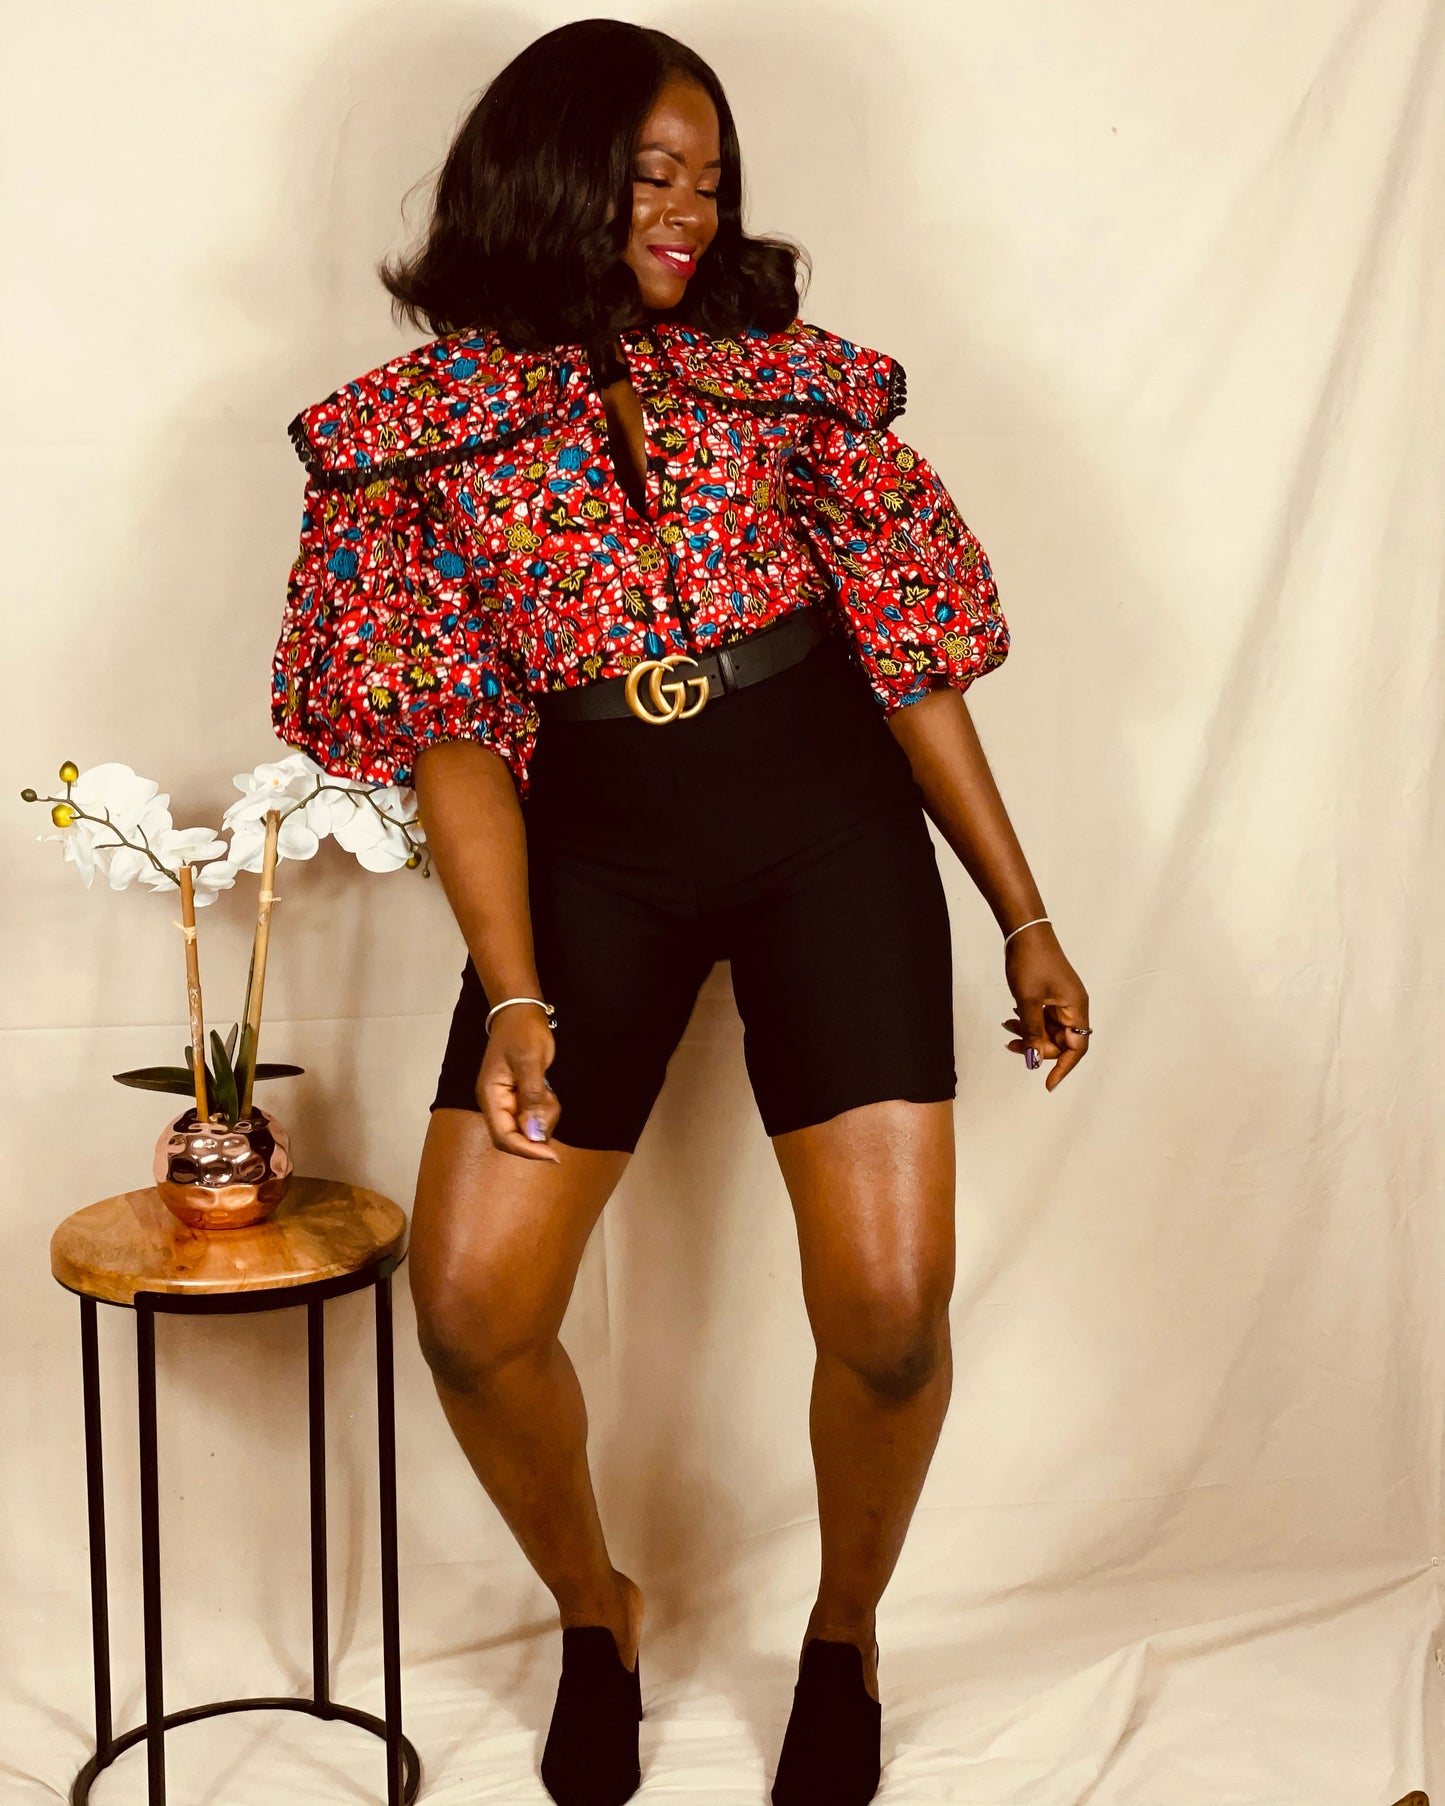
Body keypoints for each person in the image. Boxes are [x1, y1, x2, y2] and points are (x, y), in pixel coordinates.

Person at [272, 19, 1091, 1805]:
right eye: (649, 172)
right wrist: (514, 993)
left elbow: (910, 660)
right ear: (546, 174)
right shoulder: (406, 442)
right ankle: (598, 1611)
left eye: (709, 178)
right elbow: (449, 734)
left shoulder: (781, 385)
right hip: (591, 853)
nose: (688, 209)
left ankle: (844, 1632)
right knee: (473, 1308)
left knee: (891, 1312)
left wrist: (1021, 914)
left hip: (823, 819)